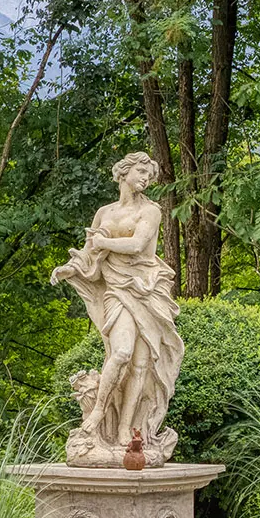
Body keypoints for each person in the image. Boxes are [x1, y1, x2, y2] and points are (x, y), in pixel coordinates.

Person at [52, 152, 183, 465]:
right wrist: (70, 269)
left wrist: (104, 244)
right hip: (116, 290)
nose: (145, 179)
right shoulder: (105, 212)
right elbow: (88, 254)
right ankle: (97, 414)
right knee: (121, 352)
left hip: (147, 290)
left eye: (149, 176)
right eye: (141, 172)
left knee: (141, 364)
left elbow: (138, 245)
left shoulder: (151, 211)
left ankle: (126, 428)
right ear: (124, 172)